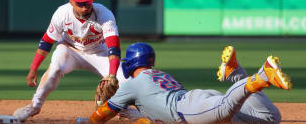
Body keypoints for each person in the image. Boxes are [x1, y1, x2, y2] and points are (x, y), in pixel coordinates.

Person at [80, 43, 292, 124]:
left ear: (131, 63)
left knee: (226, 108)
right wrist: (132, 115)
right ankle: (236, 74)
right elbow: (155, 117)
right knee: (269, 119)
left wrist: (88, 119)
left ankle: (262, 76)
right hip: (197, 102)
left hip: (189, 109)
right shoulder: (159, 76)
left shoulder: (132, 85)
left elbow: (99, 118)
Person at [13, 0, 126, 122]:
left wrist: (112, 74)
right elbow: (47, 42)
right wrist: (33, 68)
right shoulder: (62, 13)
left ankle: (123, 110)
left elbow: (114, 47)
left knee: (125, 80)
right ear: (71, 1)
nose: (85, 7)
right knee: (55, 69)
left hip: (99, 52)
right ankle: (34, 106)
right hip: (70, 49)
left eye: (88, 2)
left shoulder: (104, 14)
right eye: (80, 3)